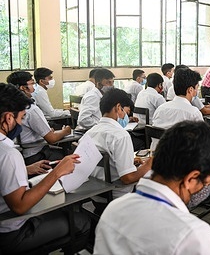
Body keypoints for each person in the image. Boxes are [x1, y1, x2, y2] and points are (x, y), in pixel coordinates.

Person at [94, 121, 210, 255]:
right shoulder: (193, 235)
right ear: (191, 179)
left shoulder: (113, 209)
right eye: (209, 182)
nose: (207, 188)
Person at [0, 83, 90, 254]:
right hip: (12, 233)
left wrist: (26, 170)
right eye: (21, 117)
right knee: (81, 222)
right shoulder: (8, 154)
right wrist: (57, 172)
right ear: (8, 118)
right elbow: (20, 206)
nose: (21, 123)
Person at [86, 88, 153, 202]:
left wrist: (129, 161)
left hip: (96, 197)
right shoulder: (121, 136)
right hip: (119, 198)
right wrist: (149, 164)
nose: (126, 117)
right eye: (126, 113)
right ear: (118, 108)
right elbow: (127, 179)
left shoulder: (90, 133)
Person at [7, 71, 71, 165]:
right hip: (35, 155)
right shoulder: (30, 109)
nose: (34, 87)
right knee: (70, 155)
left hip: (19, 154)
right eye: (32, 83)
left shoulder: (9, 107)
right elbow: (52, 139)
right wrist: (66, 131)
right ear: (23, 88)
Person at [151, 68, 204, 150]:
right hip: (181, 160)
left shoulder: (160, 109)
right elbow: (201, 142)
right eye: (197, 88)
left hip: (157, 157)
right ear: (190, 90)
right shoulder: (193, 113)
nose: (197, 91)